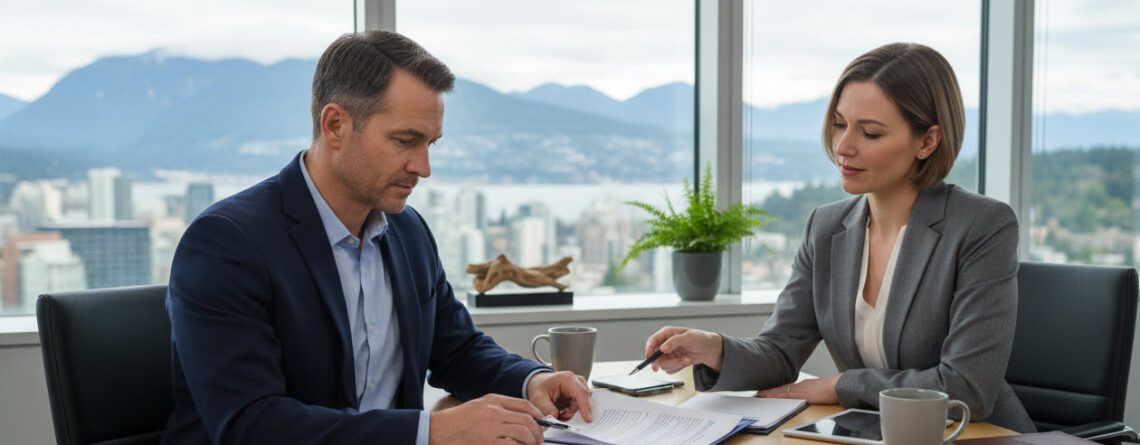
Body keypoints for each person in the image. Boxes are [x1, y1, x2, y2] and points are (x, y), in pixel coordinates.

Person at [162, 30, 592, 445]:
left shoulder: (407, 230)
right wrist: (434, 433)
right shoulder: (227, 243)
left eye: (431, 144)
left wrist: (532, 379)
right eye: (405, 141)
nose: (423, 168)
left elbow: (456, 349)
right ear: (335, 125)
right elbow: (251, 425)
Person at [642, 43, 1035, 433]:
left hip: (973, 436)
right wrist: (715, 348)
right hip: (871, 434)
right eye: (839, 124)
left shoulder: (982, 226)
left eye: (870, 133)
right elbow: (780, 351)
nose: (842, 147)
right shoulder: (826, 227)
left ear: (927, 142)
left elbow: (966, 387)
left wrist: (838, 385)